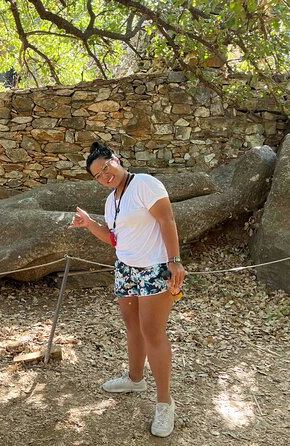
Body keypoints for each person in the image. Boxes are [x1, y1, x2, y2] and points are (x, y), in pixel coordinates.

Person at [68, 141, 185, 438]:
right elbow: (115, 240)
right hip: (125, 269)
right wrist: (90, 224)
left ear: (116, 160)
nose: (104, 176)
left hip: (154, 269)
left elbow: (167, 220)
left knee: (153, 332)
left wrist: (175, 261)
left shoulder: (145, 183)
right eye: (98, 175)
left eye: (106, 168)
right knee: (132, 327)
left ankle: (164, 403)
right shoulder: (111, 201)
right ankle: (135, 378)